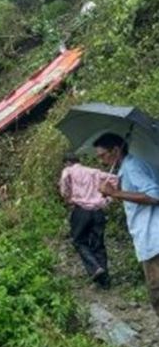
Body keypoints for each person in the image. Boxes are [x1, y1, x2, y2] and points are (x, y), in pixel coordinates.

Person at [95, 133, 159, 315]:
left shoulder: (132, 166)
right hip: (148, 239)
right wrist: (115, 192)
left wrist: (114, 193)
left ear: (116, 150)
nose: (101, 161)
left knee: (157, 292)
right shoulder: (127, 168)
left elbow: (154, 195)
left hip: (153, 239)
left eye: (102, 155)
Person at [59, 153, 116, 288]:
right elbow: (114, 178)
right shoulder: (94, 172)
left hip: (81, 210)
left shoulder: (68, 171)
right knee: (98, 243)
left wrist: (67, 197)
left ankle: (95, 267)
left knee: (79, 241)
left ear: (67, 163)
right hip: (98, 211)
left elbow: (64, 186)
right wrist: (108, 199)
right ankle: (105, 282)